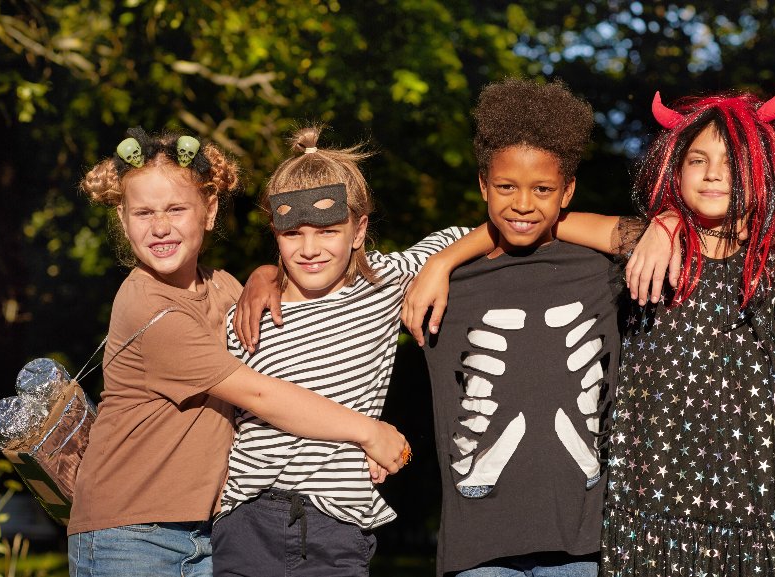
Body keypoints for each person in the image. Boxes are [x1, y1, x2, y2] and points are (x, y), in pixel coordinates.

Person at [68, 127, 409, 577]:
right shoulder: (147, 305)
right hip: (130, 534)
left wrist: (264, 274)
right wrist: (367, 432)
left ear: (209, 210)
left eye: (175, 208)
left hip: (207, 533)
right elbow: (263, 395)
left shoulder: (223, 288)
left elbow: (276, 306)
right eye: (143, 212)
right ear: (123, 219)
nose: (160, 226)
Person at [212, 126, 483, 577]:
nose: (310, 248)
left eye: (328, 231)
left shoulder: (384, 283)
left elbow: (481, 231)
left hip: (336, 529)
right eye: (293, 233)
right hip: (245, 524)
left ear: (359, 230)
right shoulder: (244, 316)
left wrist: (439, 265)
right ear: (275, 233)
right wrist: (262, 275)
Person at [406, 78, 621, 577]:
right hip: (478, 548)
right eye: (506, 187)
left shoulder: (603, 271)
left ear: (568, 190)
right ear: (483, 185)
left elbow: (659, 234)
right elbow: (339, 273)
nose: (522, 204)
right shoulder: (442, 279)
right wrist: (268, 274)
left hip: (583, 546)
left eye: (542, 190)